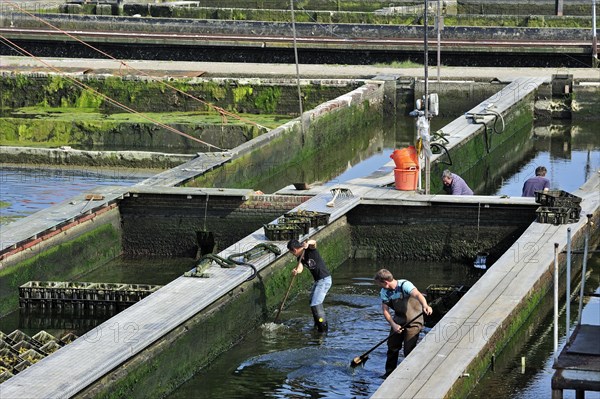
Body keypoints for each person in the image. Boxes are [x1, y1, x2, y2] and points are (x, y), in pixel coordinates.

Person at [374, 269, 433, 378]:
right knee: (392, 347)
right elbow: (385, 310)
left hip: (414, 320)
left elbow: (418, 295)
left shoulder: (405, 285)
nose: (379, 286)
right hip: (398, 321)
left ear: (385, 282)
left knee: (409, 349)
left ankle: (410, 375)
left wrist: (425, 305)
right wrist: (393, 325)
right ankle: (389, 373)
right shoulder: (384, 292)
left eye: (379, 284)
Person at [287, 238, 332, 332]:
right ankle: (317, 324)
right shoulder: (299, 258)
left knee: (315, 303)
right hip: (318, 281)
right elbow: (300, 268)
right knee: (312, 301)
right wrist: (296, 271)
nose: (292, 254)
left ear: (294, 250)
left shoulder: (309, 250)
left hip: (324, 280)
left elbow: (314, 242)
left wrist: (307, 243)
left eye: (291, 252)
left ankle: (323, 329)